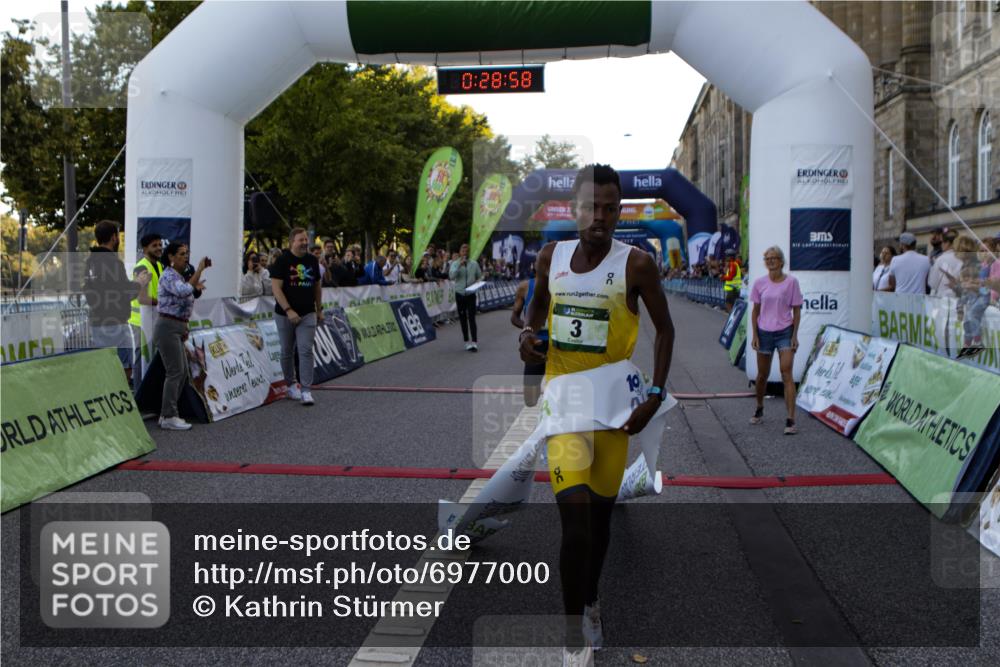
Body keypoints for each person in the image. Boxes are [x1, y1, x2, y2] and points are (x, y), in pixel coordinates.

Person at [519, 164, 674, 664]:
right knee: (577, 524)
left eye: (610, 208)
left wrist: (654, 394)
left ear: (618, 210)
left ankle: (590, 602)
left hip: (614, 411)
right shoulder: (551, 258)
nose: (600, 218)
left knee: (601, 523)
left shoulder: (637, 265)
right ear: (575, 209)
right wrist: (528, 338)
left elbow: (665, 331)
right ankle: (571, 639)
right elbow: (535, 311)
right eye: (592, 208)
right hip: (565, 407)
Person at [84, 220, 151, 383]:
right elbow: (124, 292)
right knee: (124, 369)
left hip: (97, 322)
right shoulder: (113, 262)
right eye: (118, 236)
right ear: (114, 237)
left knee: (106, 367)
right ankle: (118, 402)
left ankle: (107, 399)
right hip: (115, 323)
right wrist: (140, 282)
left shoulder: (90, 261)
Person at [154, 242, 208, 430]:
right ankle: (169, 415)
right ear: (171, 257)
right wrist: (199, 270)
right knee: (175, 371)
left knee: (182, 371)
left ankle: (167, 413)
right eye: (182, 254)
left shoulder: (178, 276)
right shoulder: (168, 275)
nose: (186, 257)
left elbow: (188, 296)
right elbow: (184, 291)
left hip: (176, 328)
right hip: (167, 327)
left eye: (187, 253)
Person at [749, 245, 803, 436]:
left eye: (774, 258)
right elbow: (755, 311)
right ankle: (759, 406)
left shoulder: (792, 283)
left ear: (781, 261)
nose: (770, 261)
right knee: (762, 375)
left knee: (786, 373)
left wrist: (795, 336)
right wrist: (755, 335)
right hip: (764, 332)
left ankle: (790, 419)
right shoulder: (759, 283)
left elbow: (797, 311)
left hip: (785, 332)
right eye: (767, 258)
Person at [271, 228, 322, 405]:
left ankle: (306, 390)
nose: (304, 243)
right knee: (287, 351)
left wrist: (319, 309)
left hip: (308, 313)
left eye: (306, 239)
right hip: (284, 314)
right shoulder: (282, 261)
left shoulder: (312, 261)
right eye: (301, 240)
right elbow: (276, 288)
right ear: (292, 241)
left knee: (306, 350)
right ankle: (291, 384)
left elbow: (317, 286)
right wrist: (288, 310)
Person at [129, 232, 163, 387]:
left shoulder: (160, 266)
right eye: (154, 245)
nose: (159, 248)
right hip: (140, 322)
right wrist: (164, 303)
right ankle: (138, 395)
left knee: (151, 358)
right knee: (141, 358)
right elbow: (142, 298)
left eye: (160, 244)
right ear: (145, 249)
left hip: (153, 319)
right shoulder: (142, 267)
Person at [511, 278, 548, 407]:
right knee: (530, 399)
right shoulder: (525, 287)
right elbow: (514, 317)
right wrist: (528, 329)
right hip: (536, 344)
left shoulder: (565, 284)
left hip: (558, 345)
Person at [450, 243, 483, 351]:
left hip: (470, 294)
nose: (465, 253)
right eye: (463, 251)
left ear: (469, 253)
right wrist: (459, 265)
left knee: (472, 318)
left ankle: (474, 342)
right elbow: (451, 276)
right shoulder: (455, 263)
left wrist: (479, 279)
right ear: (460, 252)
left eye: (467, 251)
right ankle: (466, 342)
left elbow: (480, 275)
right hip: (460, 294)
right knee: (463, 319)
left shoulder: (474, 264)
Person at [928, 229, 962, 297]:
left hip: (943, 297)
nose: (941, 245)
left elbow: (932, 283)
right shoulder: (962, 257)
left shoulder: (940, 259)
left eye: (942, 242)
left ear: (948, 243)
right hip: (959, 296)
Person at [721, 248, 742, 312]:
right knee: (733, 304)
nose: (726, 257)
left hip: (732, 289)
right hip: (734, 289)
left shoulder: (733, 264)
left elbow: (730, 277)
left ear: (730, 256)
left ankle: (732, 317)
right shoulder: (733, 264)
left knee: (729, 304)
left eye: (726, 256)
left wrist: (722, 277)